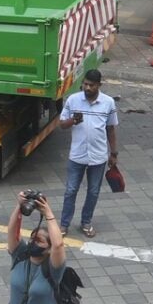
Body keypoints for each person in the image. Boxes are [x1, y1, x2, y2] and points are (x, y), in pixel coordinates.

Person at [57, 69, 118, 238]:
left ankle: (86, 222)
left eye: (91, 85)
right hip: (77, 156)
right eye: (85, 84)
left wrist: (114, 153)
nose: (87, 87)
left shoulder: (108, 103)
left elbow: (111, 129)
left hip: (98, 157)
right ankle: (64, 224)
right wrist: (73, 120)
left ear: (99, 85)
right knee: (70, 190)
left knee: (93, 192)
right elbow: (62, 124)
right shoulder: (73, 100)